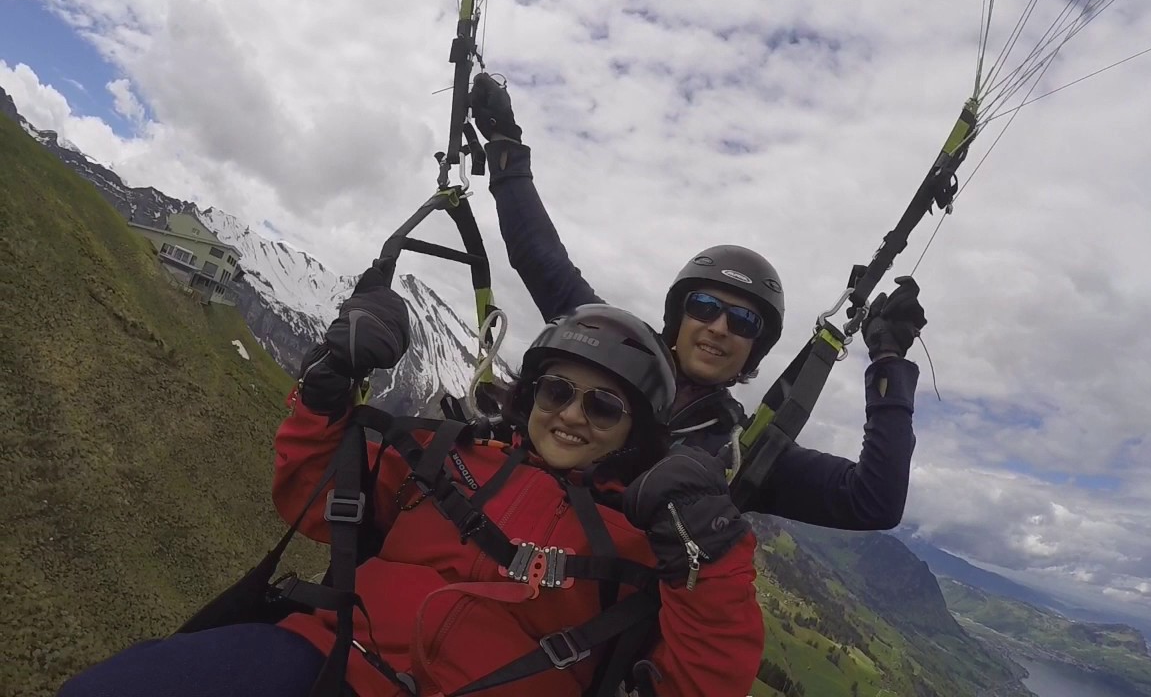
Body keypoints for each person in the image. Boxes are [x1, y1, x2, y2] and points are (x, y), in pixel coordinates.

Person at [58, 262, 763, 697]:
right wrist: (328, 387)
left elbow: (703, 681)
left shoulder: (645, 543)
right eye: (556, 392)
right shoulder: (452, 454)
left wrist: (717, 559)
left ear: (635, 433)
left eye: (604, 406)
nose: (572, 415)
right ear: (531, 395)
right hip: (330, 653)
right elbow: (310, 495)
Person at [470, 73, 927, 529]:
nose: (719, 327)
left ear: (755, 349)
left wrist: (887, 361)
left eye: (744, 321)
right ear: (679, 316)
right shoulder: (608, 346)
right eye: (705, 307)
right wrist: (506, 148)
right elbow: (540, 258)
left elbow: (872, 502)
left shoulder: (740, 450)